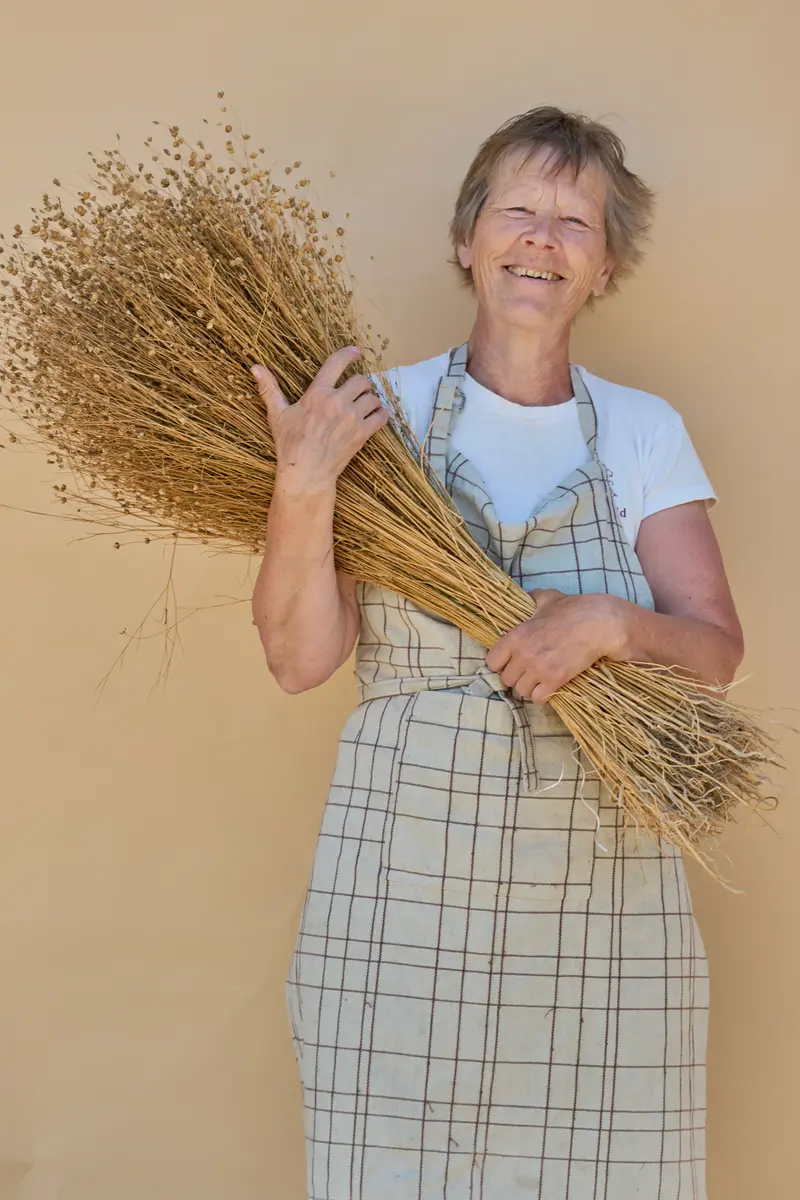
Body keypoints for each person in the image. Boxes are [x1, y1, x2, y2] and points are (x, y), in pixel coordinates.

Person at [250, 107, 743, 1200]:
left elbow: (712, 652)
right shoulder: (377, 415)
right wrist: (302, 488)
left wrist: (610, 626)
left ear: (605, 264)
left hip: (599, 884)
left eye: (575, 220)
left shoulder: (639, 431)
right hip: (401, 880)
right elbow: (297, 659)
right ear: (467, 235)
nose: (541, 237)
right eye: (517, 209)